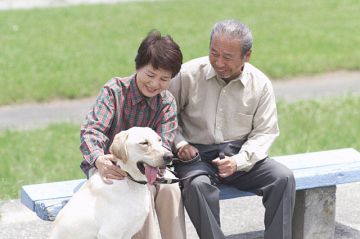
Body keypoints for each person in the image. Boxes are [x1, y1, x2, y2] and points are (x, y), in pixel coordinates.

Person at [168, 19, 296, 239]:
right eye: (214, 53)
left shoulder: (260, 84)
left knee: (283, 178)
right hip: (195, 156)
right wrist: (180, 143)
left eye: (227, 57)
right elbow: (165, 117)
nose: (218, 62)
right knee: (198, 186)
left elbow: (265, 132)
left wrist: (239, 161)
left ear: (247, 56)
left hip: (240, 154)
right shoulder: (187, 74)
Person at [79, 30, 186, 239]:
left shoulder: (166, 103)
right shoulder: (114, 91)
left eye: (164, 79)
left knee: (170, 190)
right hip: (112, 167)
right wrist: (98, 159)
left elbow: (163, 145)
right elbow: (92, 131)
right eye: (150, 75)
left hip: (151, 165)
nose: (155, 84)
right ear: (138, 66)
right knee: (138, 190)